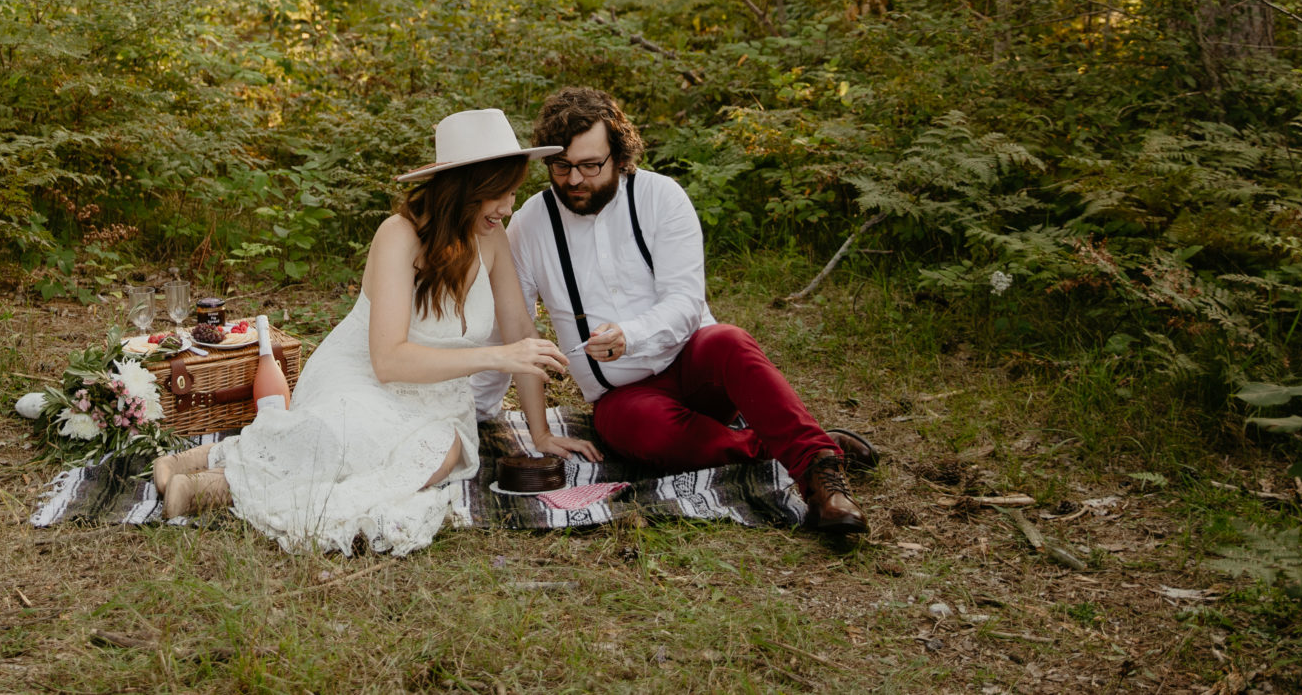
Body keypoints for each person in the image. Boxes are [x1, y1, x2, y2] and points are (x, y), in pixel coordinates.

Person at [150, 108, 595, 554]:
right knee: (351, 437)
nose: (507, 208)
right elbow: (389, 361)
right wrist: (497, 356)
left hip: (438, 397)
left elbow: (521, 332)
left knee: (432, 461)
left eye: (513, 194)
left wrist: (539, 434)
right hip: (361, 371)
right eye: (497, 194)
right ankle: (212, 478)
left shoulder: (492, 235)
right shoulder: (398, 235)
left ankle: (216, 472)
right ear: (463, 190)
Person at [489, 86, 869, 536]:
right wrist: (538, 433)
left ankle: (822, 479)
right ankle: (786, 443)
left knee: (729, 340)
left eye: (591, 165)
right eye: (562, 166)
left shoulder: (661, 197)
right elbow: (519, 329)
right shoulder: (530, 224)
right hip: (623, 397)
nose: (575, 180)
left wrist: (630, 335)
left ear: (620, 156)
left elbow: (686, 303)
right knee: (637, 432)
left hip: (696, 366)